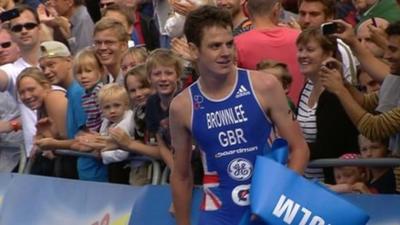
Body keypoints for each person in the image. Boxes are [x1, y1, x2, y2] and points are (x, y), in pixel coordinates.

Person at [170, 6, 309, 225]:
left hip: (266, 210)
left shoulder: (265, 86)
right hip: (219, 213)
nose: (226, 53)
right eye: (215, 46)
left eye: (229, 43)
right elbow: (181, 175)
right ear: (194, 50)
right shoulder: (182, 106)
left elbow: (299, 148)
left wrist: (276, 199)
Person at [320, 20, 400, 154]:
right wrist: (343, 83)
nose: (387, 56)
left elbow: (375, 129)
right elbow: (367, 102)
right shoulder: (396, 78)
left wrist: (339, 90)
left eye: (393, 50)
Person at [296, 27, 359, 182]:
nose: (302, 55)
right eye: (300, 50)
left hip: (332, 184)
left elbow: (329, 148)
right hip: (308, 180)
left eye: (310, 50)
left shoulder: (333, 94)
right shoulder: (308, 87)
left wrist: (292, 149)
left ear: (328, 54)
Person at [234, 0, 303, 104]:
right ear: (277, 8)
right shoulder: (300, 38)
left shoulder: (236, 44)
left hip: (260, 115)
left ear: (246, 9)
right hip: (304, 114)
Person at [0, 4, 42, 157]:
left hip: (68, 149)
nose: (24, 31)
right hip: (36, 155)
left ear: (39, 27)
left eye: (29, 26)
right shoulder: (11, 70)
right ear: (11, 34)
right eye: (17, 28)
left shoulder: (57, 61)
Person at [16, 67, 68, 176]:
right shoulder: (41, 105)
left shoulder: (53, 97)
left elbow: (67, 138)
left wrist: (46, 144)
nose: (27, 96)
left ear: (45, 86)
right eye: (22, 92)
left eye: (31, 89)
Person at [73, 47, 108, 182]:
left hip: (102, 139)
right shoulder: (85, 95)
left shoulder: (99, 92)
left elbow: (105, 117)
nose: (83, 76)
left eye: (88, 71)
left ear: (100, 71)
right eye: (79, 72)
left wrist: (100, 139)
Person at [145, 48, 183, 169]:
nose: (163, 78)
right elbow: (161, 143)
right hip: (174, 162)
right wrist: (176, 170)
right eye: (157, 74)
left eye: (169, 73)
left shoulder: (185, 100)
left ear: (177, 75)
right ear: (149, 78)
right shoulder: (151, 103)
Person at [98, 83, 132, 183]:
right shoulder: (107, 122)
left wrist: (102, 154)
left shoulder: (127, 122)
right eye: (107, 107)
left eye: (116, 105)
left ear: (126, 104)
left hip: (124, 168)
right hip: (113, 166)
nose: (112, 111)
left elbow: (123, 153)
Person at [93, 17, 129, 85]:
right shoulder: (103, 80)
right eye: (98, 42)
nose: (102, 47)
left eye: (109, 42)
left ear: (123, 46)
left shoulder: (130, 80)